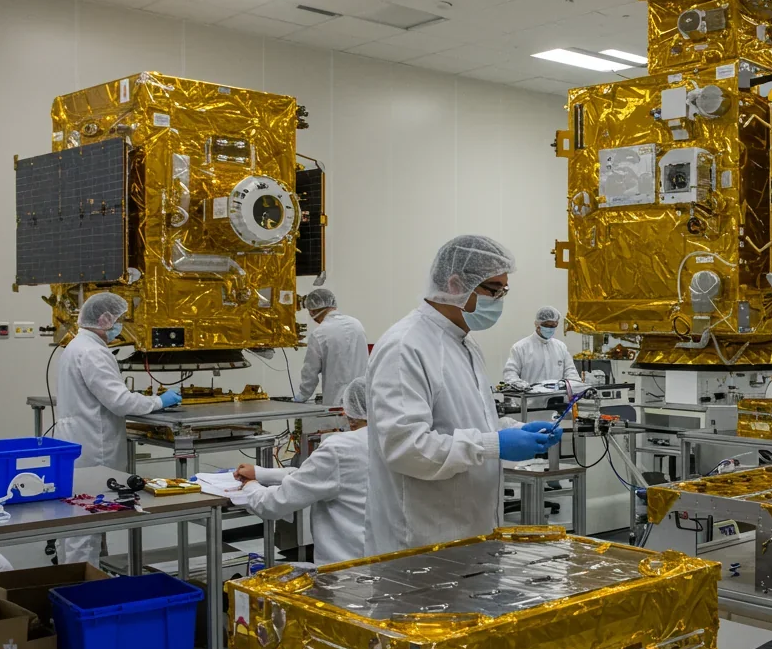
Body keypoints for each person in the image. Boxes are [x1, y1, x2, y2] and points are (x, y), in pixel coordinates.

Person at [364, 235, 562, 556]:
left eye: (503, 291)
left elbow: (468, 422)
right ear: (456, 284)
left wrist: (510, 430)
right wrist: (495, 445)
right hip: (423, 542)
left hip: (471, 533)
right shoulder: (407, 346)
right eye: (493, 290)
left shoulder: (465, 344)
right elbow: (407, 447)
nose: (499, 300)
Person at [54, 293, 181, 566]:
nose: (120, 326)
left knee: (80, 520)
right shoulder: (93, 352)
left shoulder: (76, 346)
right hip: (92, 446)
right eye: (119, 320)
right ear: (103, 319)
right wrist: (159, 400)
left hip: (78, 441)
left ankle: (78, 581)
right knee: (87, 522)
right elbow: (120, 401)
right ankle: (83, 590)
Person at [235, 378, 371, 566]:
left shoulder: (339, 448)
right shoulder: (394, 441)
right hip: (387, 563)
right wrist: (261, 473)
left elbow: (276, 503)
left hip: (345, 570)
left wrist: (250, 488)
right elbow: (317, 476)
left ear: (348, 412)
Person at [295, 288, 368, 405]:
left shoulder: (320, 333)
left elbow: (310, 372)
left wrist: (302, 395)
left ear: (312, 311)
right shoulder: (356, 324)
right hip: (362, 401)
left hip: (336, 403)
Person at [502, 306, 579, 389]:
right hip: (530, 399)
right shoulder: (520, 348)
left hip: (557, 398)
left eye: (553, 326)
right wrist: (522, 386)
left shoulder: (560, 347)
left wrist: (574, 386)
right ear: (537, 324)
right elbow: (510, 373)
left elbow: (570, 372)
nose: (550, 329)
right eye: (546, 325)